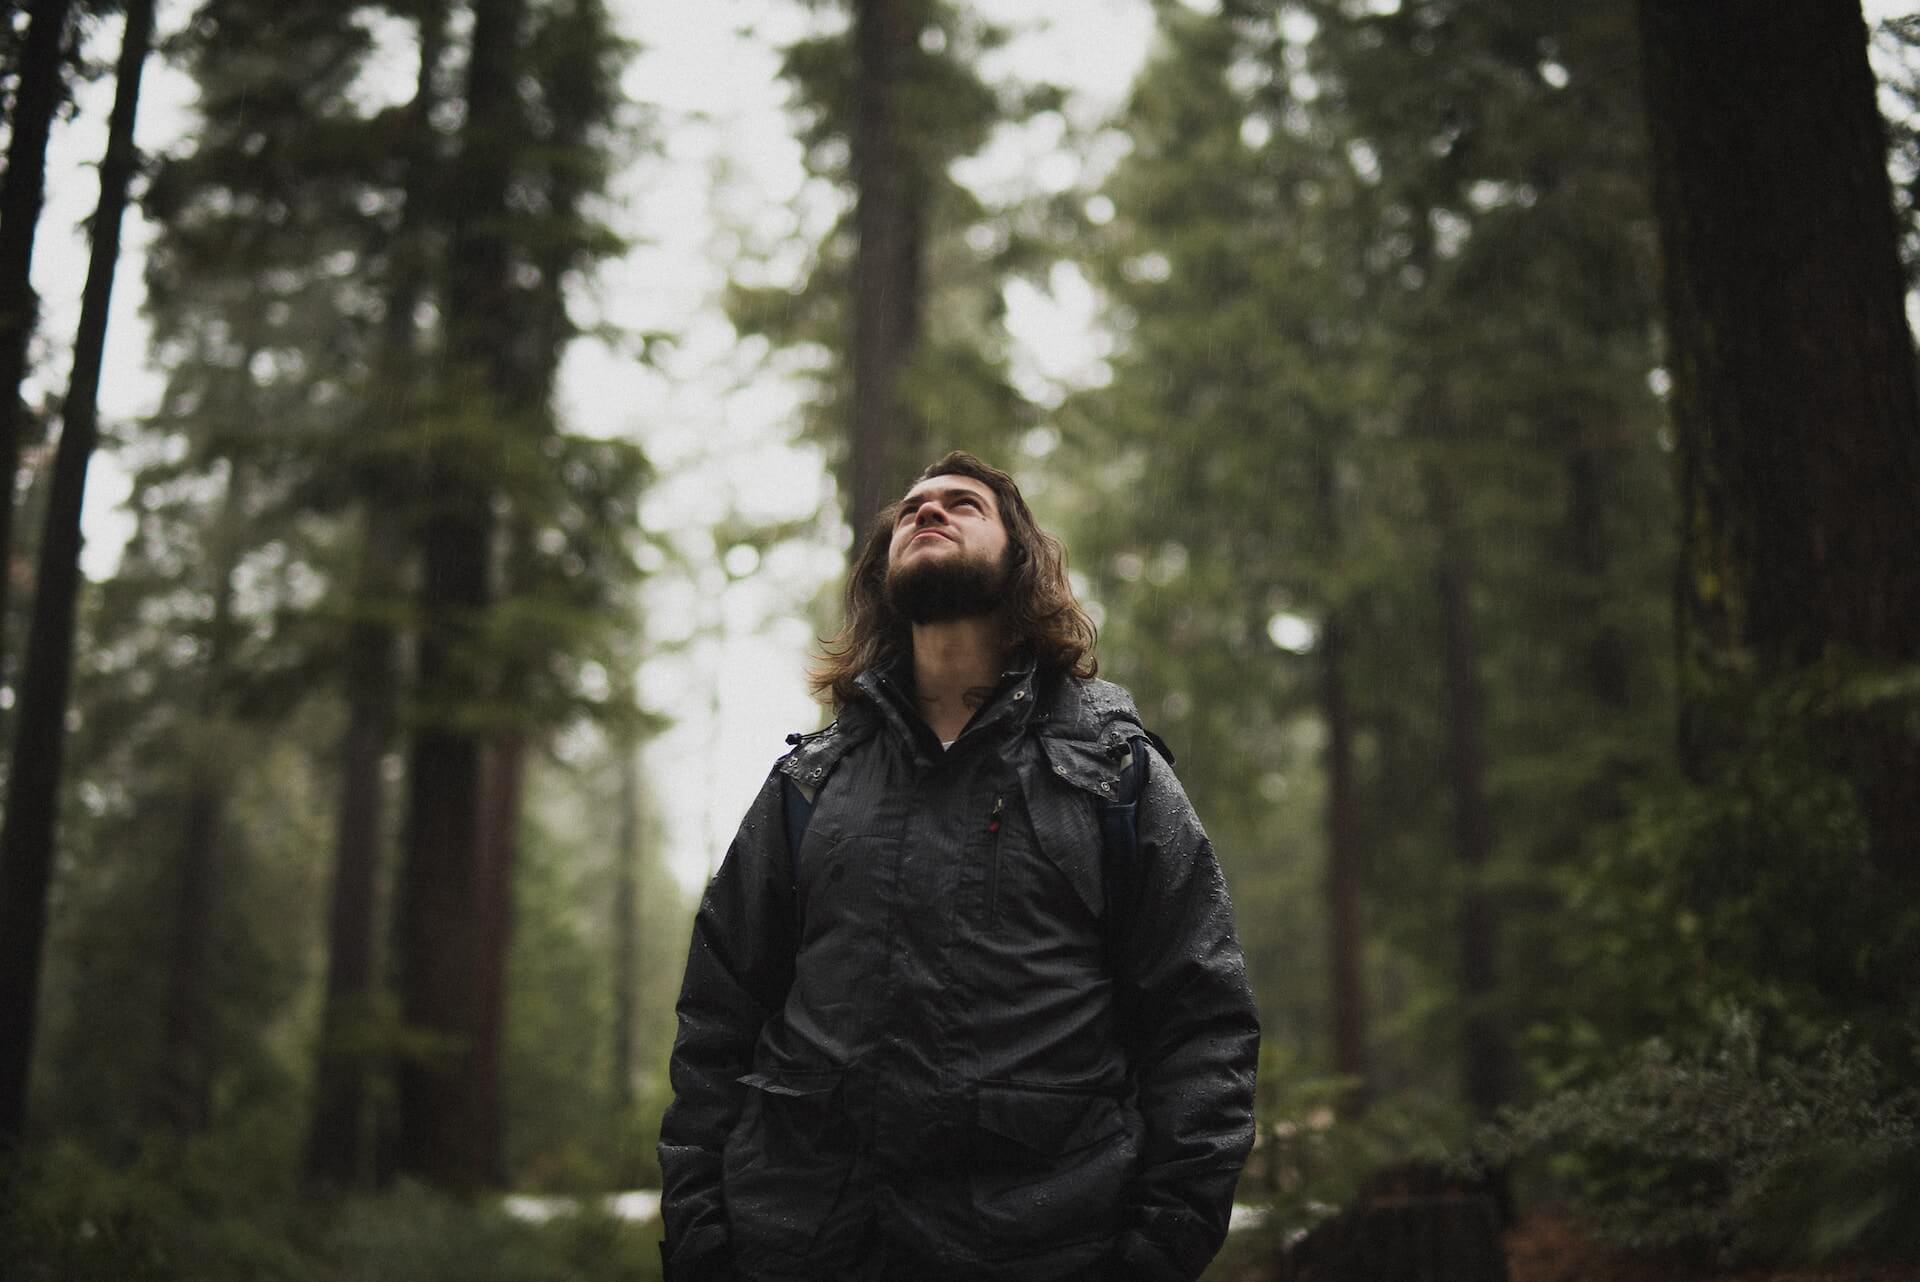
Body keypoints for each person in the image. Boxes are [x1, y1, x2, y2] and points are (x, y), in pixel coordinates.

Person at [658, 452, 1260, 1282]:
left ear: (1020, 562)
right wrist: (700, 1234)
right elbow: (719, 1019)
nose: (926, 513)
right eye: (911, 509)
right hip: (804, 1249)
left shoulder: (1113, 775)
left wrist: (1162, 1247)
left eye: (962, 504)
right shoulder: (809, 785)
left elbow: (1203, 1023)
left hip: (1046, 1250)